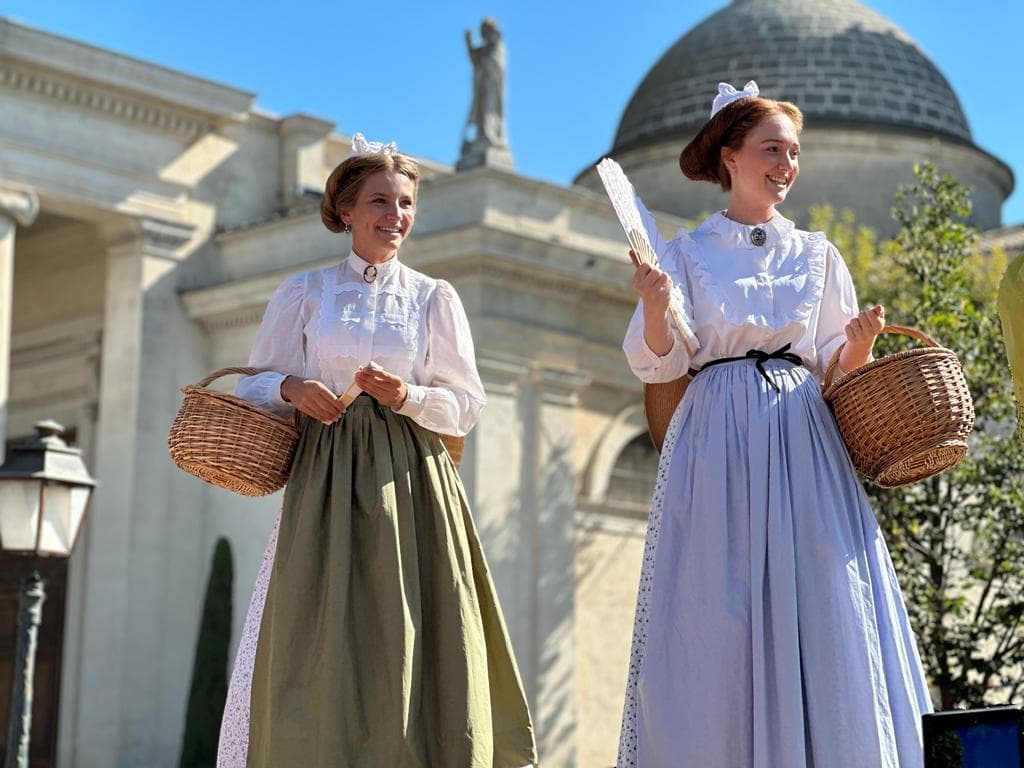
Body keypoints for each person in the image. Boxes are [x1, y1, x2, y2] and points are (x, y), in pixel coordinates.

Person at [617, 82, 933, 767]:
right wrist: (652, 306)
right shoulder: (686, 253)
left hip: (801, 435)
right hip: (715, 435)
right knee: (716, 606)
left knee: (823, 595)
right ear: (729, 156)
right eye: (772, 150)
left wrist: (857, 344)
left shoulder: (819, 255)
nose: (787, 165)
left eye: (794, 153)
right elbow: (659, 361)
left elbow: (833, 375)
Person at [216, 133, 537, 768]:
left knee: (415, 622)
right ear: (345, 211)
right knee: (317, 624)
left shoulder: (433, 297)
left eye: (406, 203)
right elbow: (252, 382)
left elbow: (467, 403)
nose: (396, 216)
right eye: (380, 202)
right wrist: (293, 386)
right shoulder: (303, 292)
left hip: (410, 479)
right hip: (326, 478)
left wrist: (408, 395)